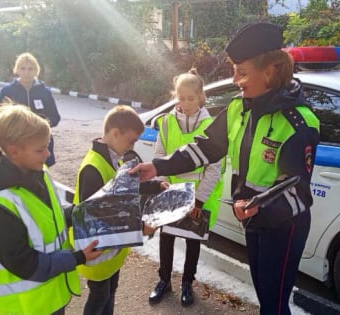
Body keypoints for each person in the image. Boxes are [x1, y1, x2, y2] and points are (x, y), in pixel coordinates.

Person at [130, 22, 320, 315]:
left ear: (269, 71)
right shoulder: (238, 108)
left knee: (275, 303)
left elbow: (298, 192)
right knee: (265, 298)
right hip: (253, 219)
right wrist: (157, 166)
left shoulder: (298, 123)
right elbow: (204, 148)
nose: (235, 79)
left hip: (283, 226)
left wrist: (261, 208)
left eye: (242, 72)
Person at [0, 104, 102, 315]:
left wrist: (86, 212)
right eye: (40, 149)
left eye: (48, 145)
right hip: (24, 308)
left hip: (51, 299)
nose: (48, 153)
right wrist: (77, 258)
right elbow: (27, 264)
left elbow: (54, 217)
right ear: (14, 151)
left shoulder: (39, 173)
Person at [73, 105, 167, 315]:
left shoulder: (115, 158)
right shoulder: (93, 168)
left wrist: (155, 185)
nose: (132, 145)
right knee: (99, 298)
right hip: (97, 253)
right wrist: (141, 227)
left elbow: (126, 188)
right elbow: (97, 217)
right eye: (131, 140)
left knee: (110, 293)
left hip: (112, 253)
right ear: (115, 133)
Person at [148, 69, 223, 307]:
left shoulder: (212, 126)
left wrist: (199, 200)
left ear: (201, 97)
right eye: (181, 98)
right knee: (166, 238)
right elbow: (159, 156)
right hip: (171, 191)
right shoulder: (167, 123)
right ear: (175, 97)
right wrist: (165, 183)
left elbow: (214, 168)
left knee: (192, 241)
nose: (186, 103)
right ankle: (164, 280)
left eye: (191, 98)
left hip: (197, 196)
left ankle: (187, 283)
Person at [0, 52, 61, 167]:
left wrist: (38, 127)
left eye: (30, 69)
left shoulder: (45, 92)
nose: (26, 72)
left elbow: (55, 117)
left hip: (40, 145)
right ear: (17, 70)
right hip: (16, 145)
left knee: (40, 179)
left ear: (36, 70)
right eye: (23, 68)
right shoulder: (7, 91)